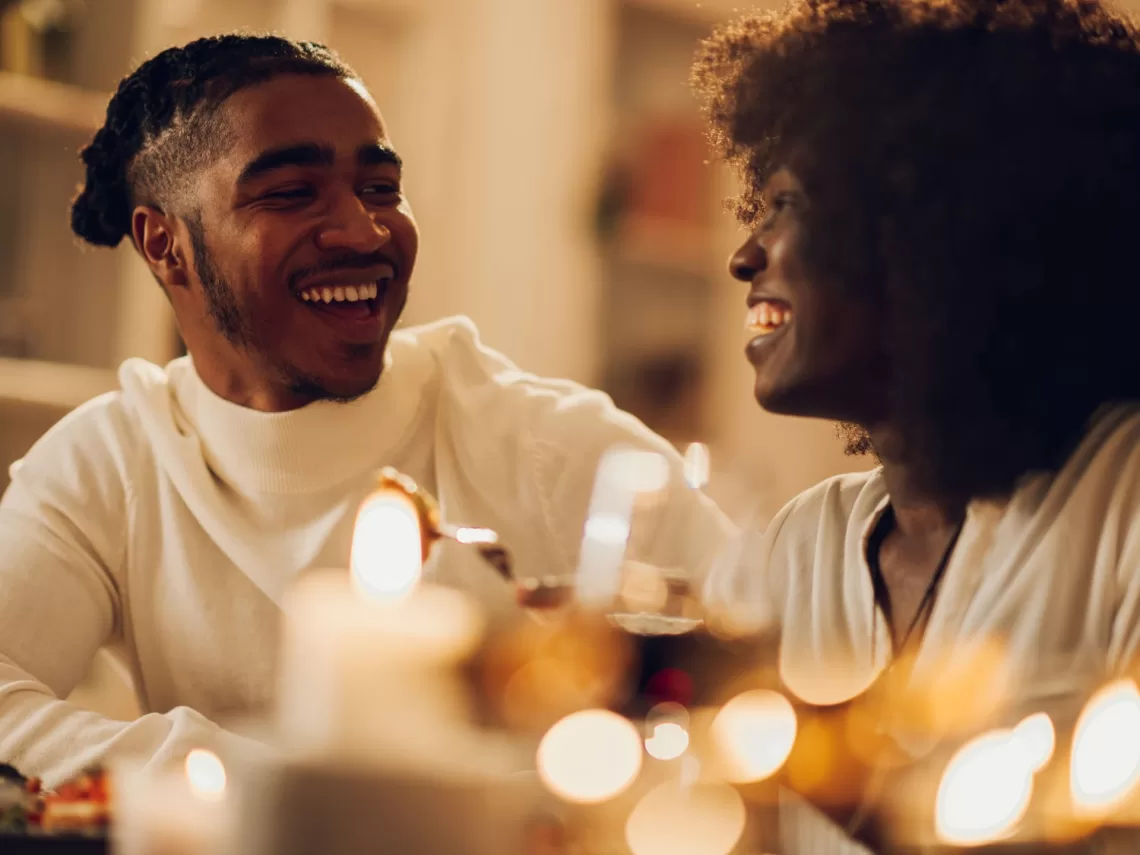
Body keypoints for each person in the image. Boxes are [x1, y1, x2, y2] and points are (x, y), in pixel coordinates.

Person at [0, 34, 733, 784]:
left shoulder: (557, 448)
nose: (364, 230)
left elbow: (761, 679)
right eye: (290, 193)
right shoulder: (112, 460)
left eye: (380, 188)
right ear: (165, 245)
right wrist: (280, 784)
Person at [694, 0, 1140, 849]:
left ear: (935, 230)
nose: (745, 256)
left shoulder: (1126, 498)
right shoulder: (801, 544)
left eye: (787, 203)